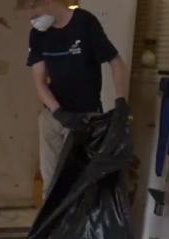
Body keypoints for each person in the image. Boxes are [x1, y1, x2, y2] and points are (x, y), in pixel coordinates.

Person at [24, 0, 130, 197]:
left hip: (85, 118)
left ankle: (77, 228)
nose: (32, 19)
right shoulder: (37, 34)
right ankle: (52, 228)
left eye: (34, 12)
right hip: (53, 118)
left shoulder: (85, 23)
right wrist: (58, 112)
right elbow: (39, 82)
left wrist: (121, 100)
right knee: (51, 186)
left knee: (78, 184)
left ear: (48, 2)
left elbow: (115, 62)